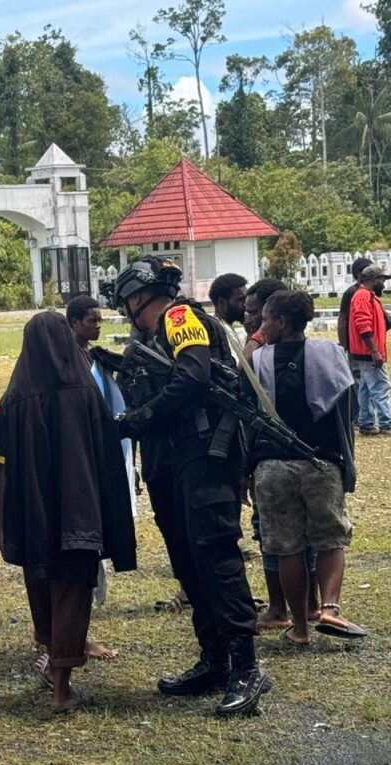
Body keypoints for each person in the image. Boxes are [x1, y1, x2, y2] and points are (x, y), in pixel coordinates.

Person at [114, 257, 270, 717]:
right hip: (172, 460)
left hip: (205, 456)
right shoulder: (152, 334)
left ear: (137, 296)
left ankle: (246, 666)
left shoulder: (179, 317)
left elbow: (194, 374)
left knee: (215, 554)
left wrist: (139, 419)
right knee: (187, 558)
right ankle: (215, 660)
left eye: (127, 302)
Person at [0, 311, 136, 714]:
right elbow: (106, 455)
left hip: (33, 512)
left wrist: (4, 520)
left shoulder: (14, 399)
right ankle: (62, 687)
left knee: (40, 582)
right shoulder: (85, 393)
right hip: (79, 509)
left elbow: (3, 463)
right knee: (73, 590)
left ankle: (51, 661)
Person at [247, 290, 361, 646]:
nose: (261, 326)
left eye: (266, 319)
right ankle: (330, 607)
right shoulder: (330, 354)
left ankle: (299, 627)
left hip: (273, 467)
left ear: (281, 321)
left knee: (287, 548)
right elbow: (349, 405)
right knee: (330, 540)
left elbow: (247, 417)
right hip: (321, 463)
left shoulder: (258, 360)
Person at [241, 278, 317, 631]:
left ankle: (281, 610)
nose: (251, 321)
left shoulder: (262, 356)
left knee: (278, 541)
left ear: (278, 321)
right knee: (310, 535)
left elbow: (249, 403)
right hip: (315, 458)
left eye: (257, 314)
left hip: (275, 458)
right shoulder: (320, 354)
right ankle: (313, 606)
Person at [66, 296, 132, 661]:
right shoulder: (66, 365)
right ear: (74, 322)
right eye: (92, 321)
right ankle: (69, 635)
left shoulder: (97, 359)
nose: (98, 326)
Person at [348, 264, 391, 435]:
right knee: (380, 386)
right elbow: (363, 325)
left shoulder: (367, 296)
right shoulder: (363, 297)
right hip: (368, 351)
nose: (383, 284)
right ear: (373, 280)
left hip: (364, 351)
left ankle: (366, 422)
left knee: (366, 387)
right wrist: (374, 350)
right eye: (381, 280)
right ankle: (387, 423)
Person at [337, 257, 374, 355]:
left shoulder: (370, 291)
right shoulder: (351, 293)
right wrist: (343, 345)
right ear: (359, 274)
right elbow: (342, 319)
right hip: (356, 346)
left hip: (370, 344)